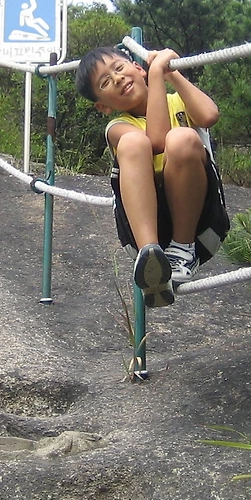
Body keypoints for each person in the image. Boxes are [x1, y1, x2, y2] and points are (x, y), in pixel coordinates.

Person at [75, 45, 228, 308]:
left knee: (181, 139)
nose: (117, 78)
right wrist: (156, 73)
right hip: (147, 232)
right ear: (103, 106)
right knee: (135, 143)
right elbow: (156, 141)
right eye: (105, 82)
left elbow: (209, 115)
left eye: (119, 68)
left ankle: (182, 249)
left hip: (200, 227)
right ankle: (151, 260)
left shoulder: (178, 101)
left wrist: (171, 73)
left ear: (138, 68)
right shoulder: (118, 128)